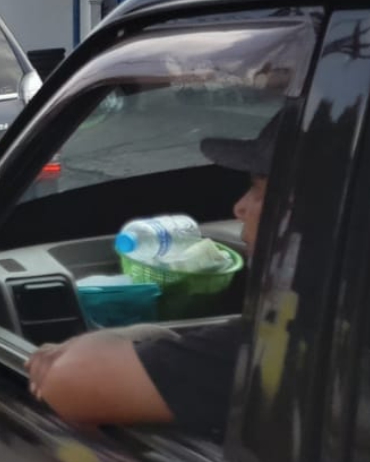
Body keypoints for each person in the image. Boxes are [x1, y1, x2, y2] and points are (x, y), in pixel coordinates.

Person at [24, 113, 279, 440]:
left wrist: (117, 337)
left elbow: (68, 380)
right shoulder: (346, 330)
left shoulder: (288, 349)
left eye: (260, 189)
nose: (239, 207)